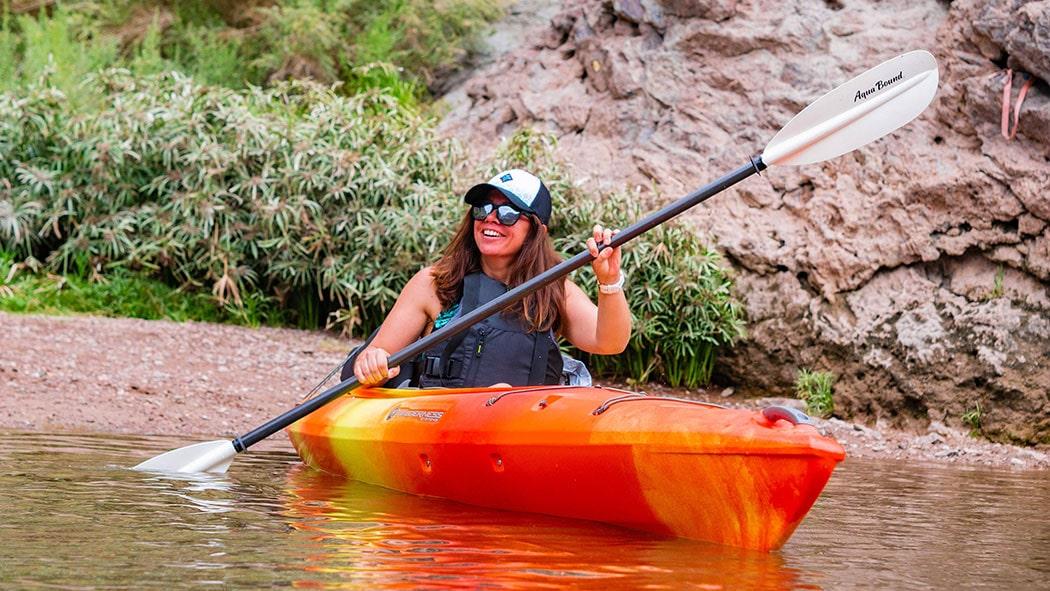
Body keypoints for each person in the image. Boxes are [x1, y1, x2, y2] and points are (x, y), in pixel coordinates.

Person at [351, 169, 631, 388]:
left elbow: (610, 343)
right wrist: (372, 362)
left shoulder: (554, 290)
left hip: (519, 427)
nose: (491, 219)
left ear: (537, 230)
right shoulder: (434, 283)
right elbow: (376, 355)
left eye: (508, 213)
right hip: (440, 421)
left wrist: (610, 281)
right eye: (482, 209)